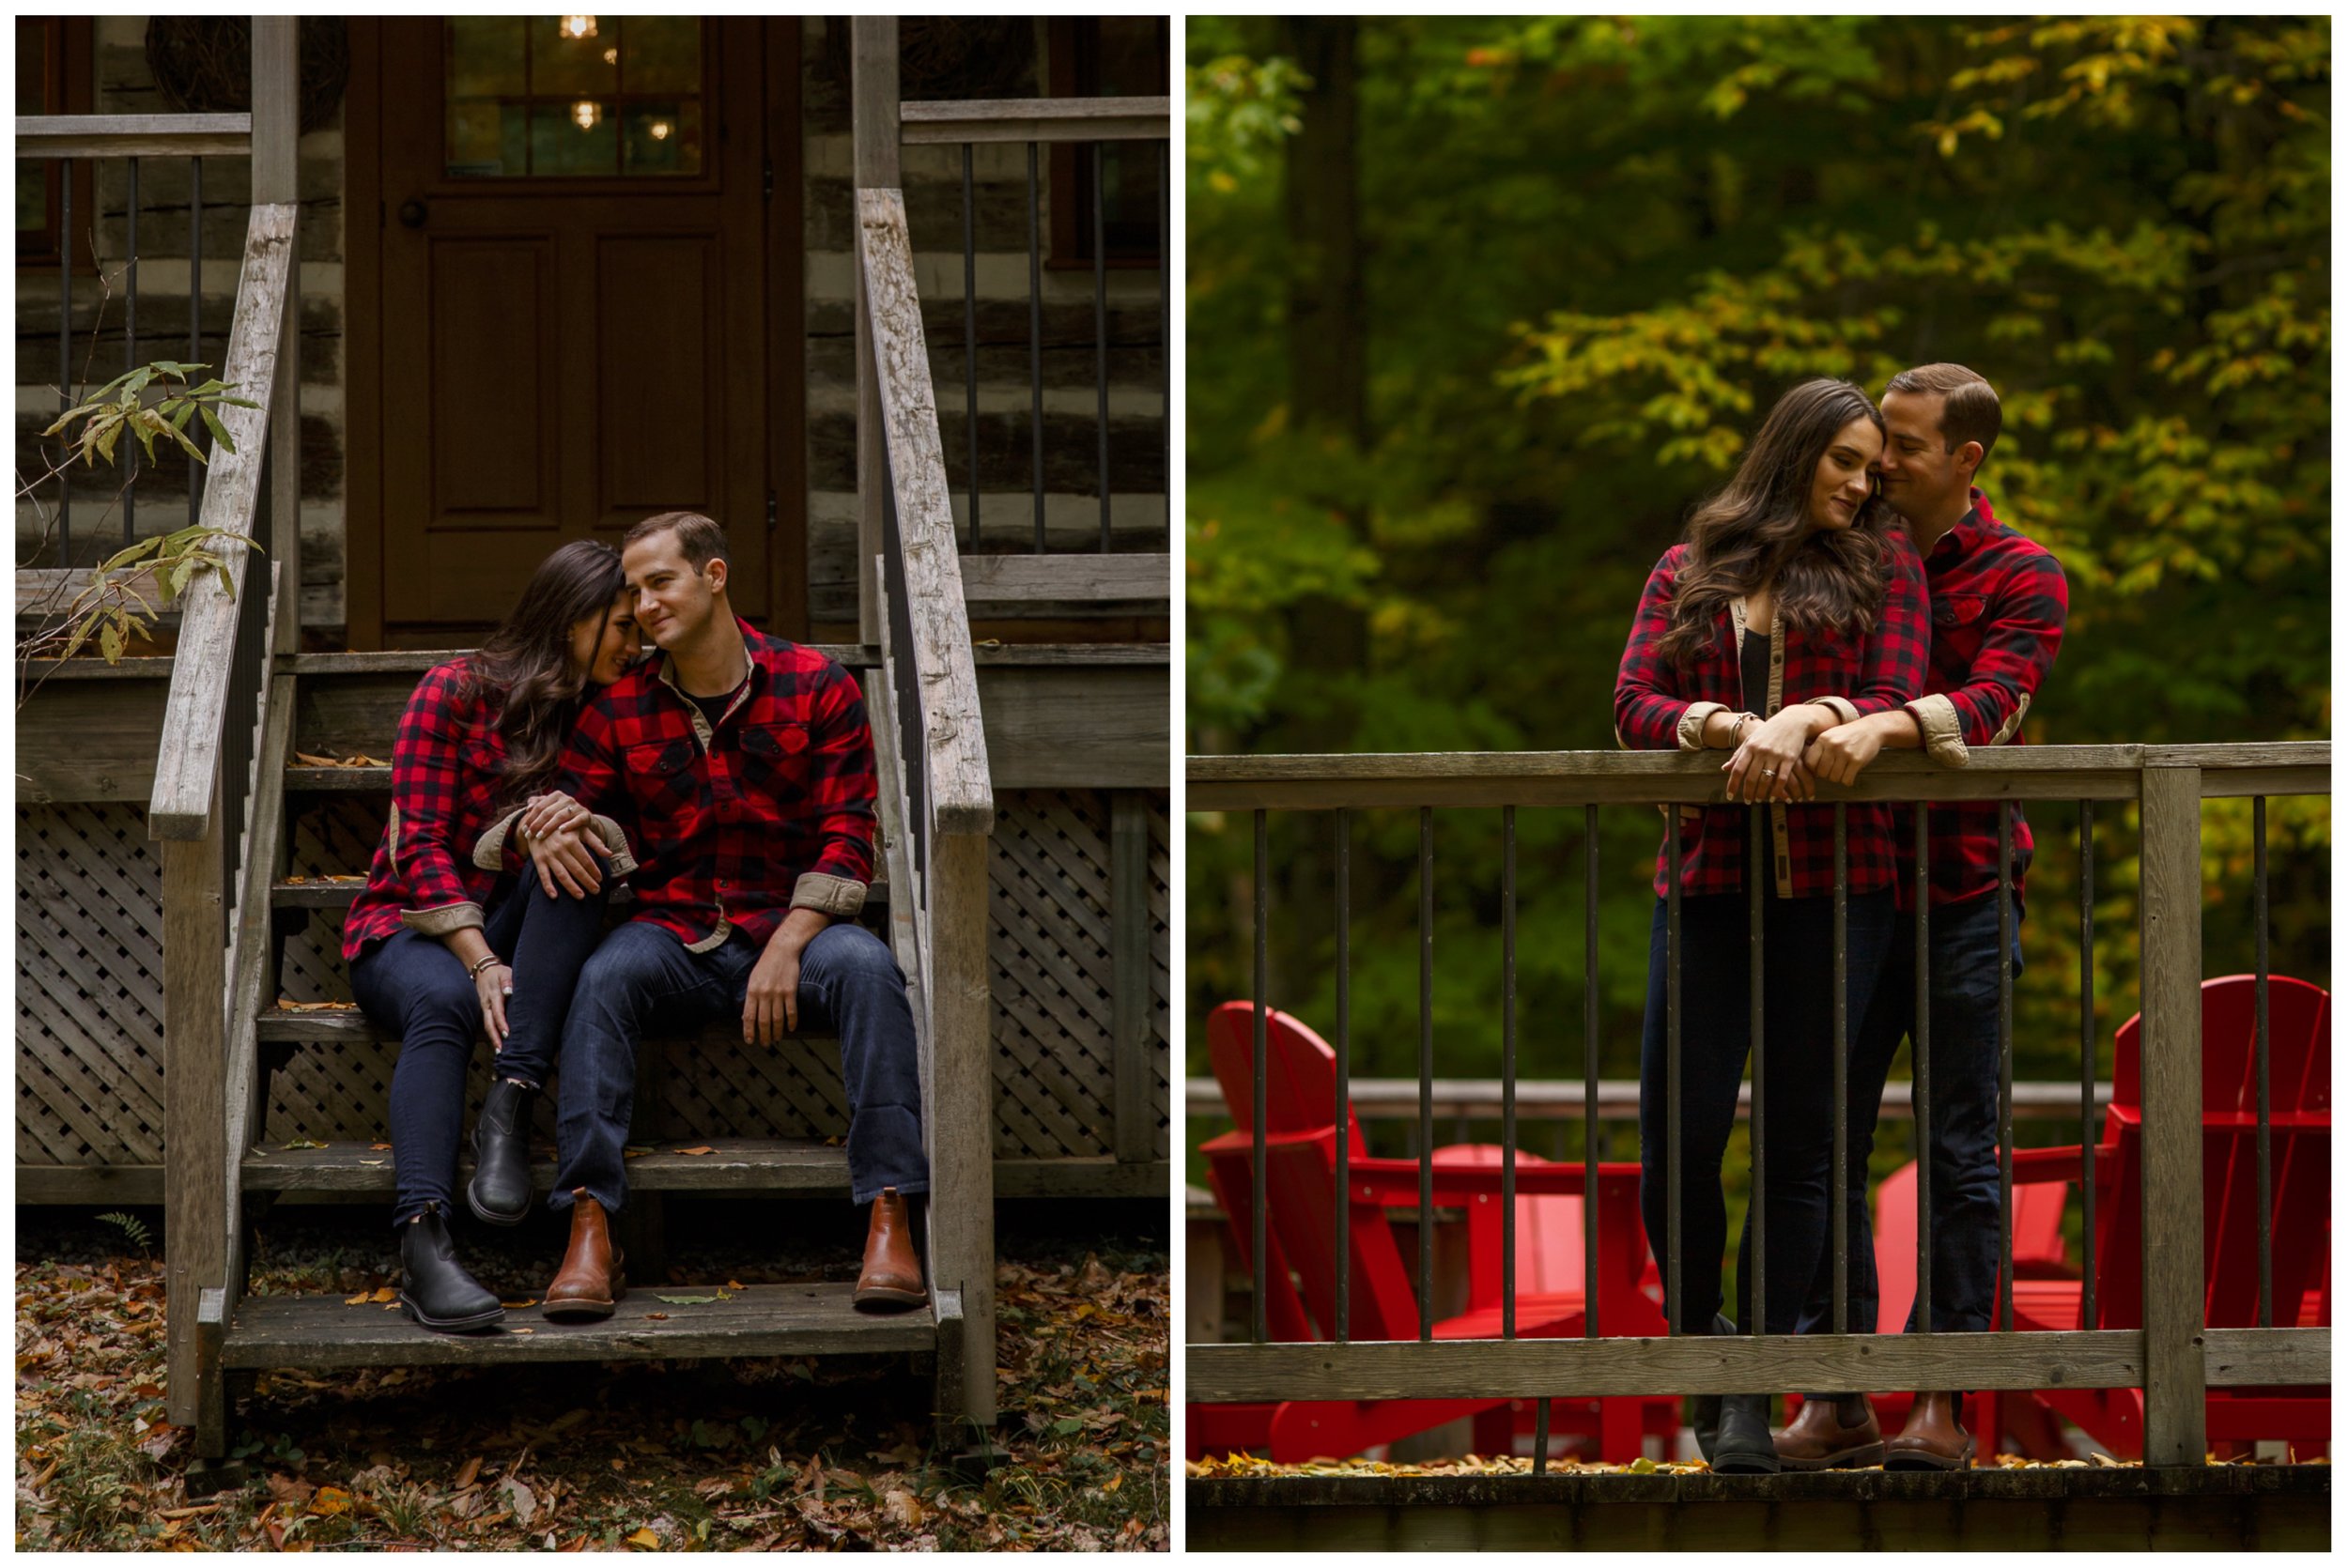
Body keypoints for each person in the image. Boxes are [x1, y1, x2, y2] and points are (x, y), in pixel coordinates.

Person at [1614, 377, 1930, 1473]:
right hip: (1702, 885)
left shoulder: (1887, 567)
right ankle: (1702, 1356)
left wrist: (1802, 718)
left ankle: (1748, 1386)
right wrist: (1723, 724)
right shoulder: (1689, 567)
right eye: (1844, 459)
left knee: (1799, 1147)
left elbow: (1897, 684)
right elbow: (1632, 701)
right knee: (1676, 1140)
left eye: (1871, 464)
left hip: (1840, 890)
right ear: (1792, 452)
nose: (1863, 478)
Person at [510, 510, 928, 1320]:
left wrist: (790, 945)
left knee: (872, 972)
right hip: (674, 933)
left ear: (714, 575)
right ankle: (590, 1228)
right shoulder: (618, 710)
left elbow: (850, 839)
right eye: (634, 591)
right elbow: (572, 801)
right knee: (601, 981)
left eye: (660, 581)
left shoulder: (816, 684)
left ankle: (889, 1217)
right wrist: (548, 825)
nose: (645, 606)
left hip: (799, 928)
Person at [1780, 364, 2069, 1471]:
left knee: (1959, 1144)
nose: (1879, 463)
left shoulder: (2022, 572)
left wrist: (1880, 727)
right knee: (1824, 1136)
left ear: (1966, 459)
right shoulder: (1850, 555)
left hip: (1961, 889)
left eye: (1901, 445)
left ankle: (1943, 1398)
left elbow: (1995, 705)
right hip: (1846, 886)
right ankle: (1838, 1389)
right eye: (1875, 443)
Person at [344, 540, 643, 1331]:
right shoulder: (456, 690)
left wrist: (548, 826)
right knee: (441, 1002)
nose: (634, 645)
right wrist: (478, 960)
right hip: (411, 928)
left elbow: (626, 833)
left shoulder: (613, 710)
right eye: (619, 625)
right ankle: (424, 1241)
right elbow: (418, 848)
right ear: (573, 617)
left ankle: (510, 1099)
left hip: (533, 931)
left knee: (580, 851)